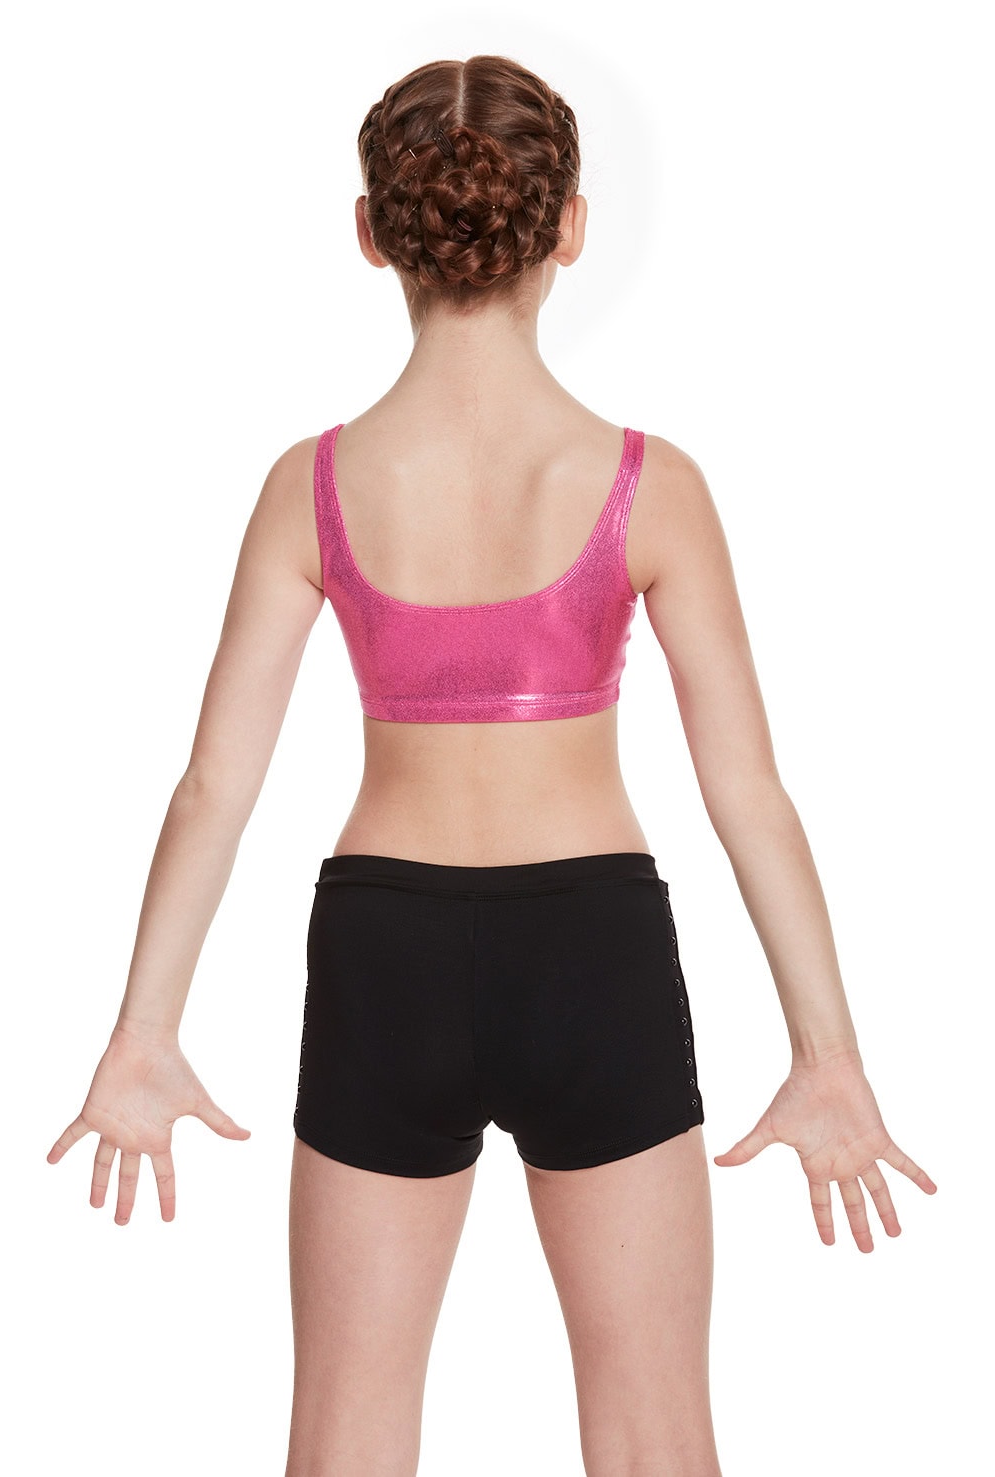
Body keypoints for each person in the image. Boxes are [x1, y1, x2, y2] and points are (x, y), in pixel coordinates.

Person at [46, 53, 937, 1477]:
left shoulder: (311, 486)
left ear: (371, 231)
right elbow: (748, 792)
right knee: (656, 1439)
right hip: (594, 950)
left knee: (344, 1437)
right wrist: (826, 1051)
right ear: (569, 226)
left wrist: (143, 1030)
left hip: (384, 951)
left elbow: (215, 786)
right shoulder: (649, 484)